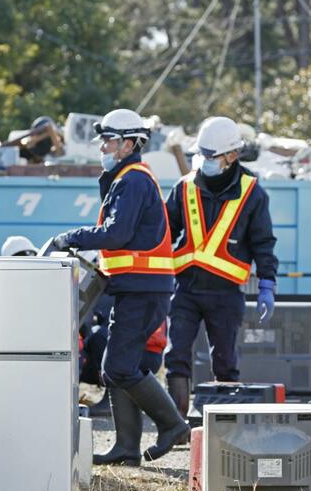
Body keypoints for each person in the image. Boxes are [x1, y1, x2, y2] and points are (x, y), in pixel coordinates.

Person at [50, 108, 189, 465]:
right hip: (136, 287)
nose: (104, 147)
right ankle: (127, 447)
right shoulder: (128, 178)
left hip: (143, 288)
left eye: (109, 140)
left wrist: (70, 238)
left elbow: (117, 233)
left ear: (130, 143)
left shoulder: (133, 180)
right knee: (121, 365)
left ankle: (173, 424)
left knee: (118, 366)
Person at [163, 117, 278, 418]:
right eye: (202, 155)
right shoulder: (184, 187)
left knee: (225, 361)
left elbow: (263, 242)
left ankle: (223, 426)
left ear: (232, 156)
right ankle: (176, 426)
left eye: (211, 156)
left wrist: (267, 284)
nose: (205, 162)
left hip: (226, 293)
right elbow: (163, 233)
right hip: (185, 289)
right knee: (176, 355)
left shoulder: (252, 192)